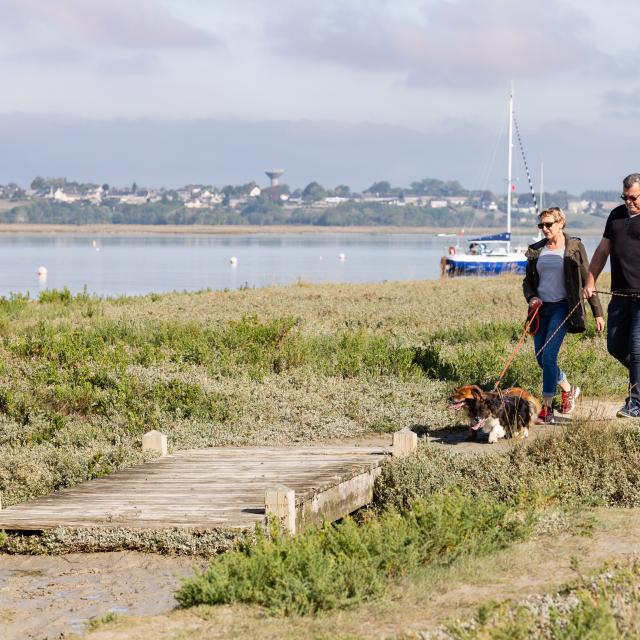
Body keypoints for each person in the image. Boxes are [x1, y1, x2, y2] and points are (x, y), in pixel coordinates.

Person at [524, 207, 604, 424]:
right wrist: (531, 298)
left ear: (561, 223)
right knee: (540, 358)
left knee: (549, 356)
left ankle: (547, 410)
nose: (544, 229)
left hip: (563, 308)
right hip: (541, 309)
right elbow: (528, 282)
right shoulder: (536, 250)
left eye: (549, 224)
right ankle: (568, 389)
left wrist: (597, 312)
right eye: (541, 225)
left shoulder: (574, 248)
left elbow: (589, 279)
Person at [584, 173, 640, 417]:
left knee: (637, 346)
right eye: (625, 197)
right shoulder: (615, 215)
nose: (629, 202)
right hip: (619, 294)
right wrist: (590, 280)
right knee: (616, 346)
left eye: (634, 198)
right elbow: (602, 250)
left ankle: (635, 403)